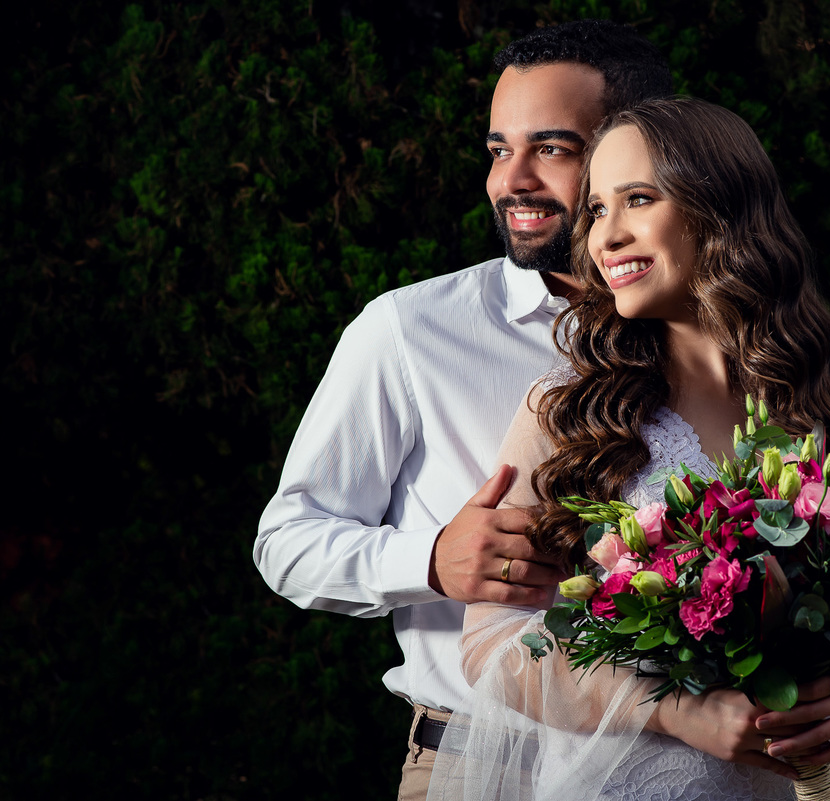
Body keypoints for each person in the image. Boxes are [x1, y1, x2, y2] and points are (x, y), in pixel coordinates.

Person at [429, 97, 830, 800]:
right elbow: (493, 643)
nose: (605, 237)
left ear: (722, 206)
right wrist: (678, 711)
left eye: (639, 200)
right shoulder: (569, 414)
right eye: (596, 210)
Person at [254, 20, 674, 801]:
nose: (510, 179)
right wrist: (431, 560)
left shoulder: (705, 338)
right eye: (497, 149)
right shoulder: (410, 330)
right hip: (476, 767)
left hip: (681, 770)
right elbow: (287, 541)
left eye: (551, 148)